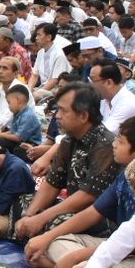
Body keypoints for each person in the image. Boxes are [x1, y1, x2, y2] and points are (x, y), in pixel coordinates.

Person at [26, 116, 135, 268]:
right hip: (117, 246)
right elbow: (93, 212)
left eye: (120, 142)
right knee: (55, 242)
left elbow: (133, 244)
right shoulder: (125, 176)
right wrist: (46, 237)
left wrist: (76, 256)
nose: (113, 144)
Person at [15, 83, 120, 241]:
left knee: (52, 224)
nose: (57, 115)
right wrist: (30, 215)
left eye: (63, 110)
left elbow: (88, 196)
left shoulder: (105, 144)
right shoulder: (68, 141)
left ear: (84, 116)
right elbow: (52, 183)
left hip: (98, 218)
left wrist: (41, 218)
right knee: (22, 202)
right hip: (72, 209)